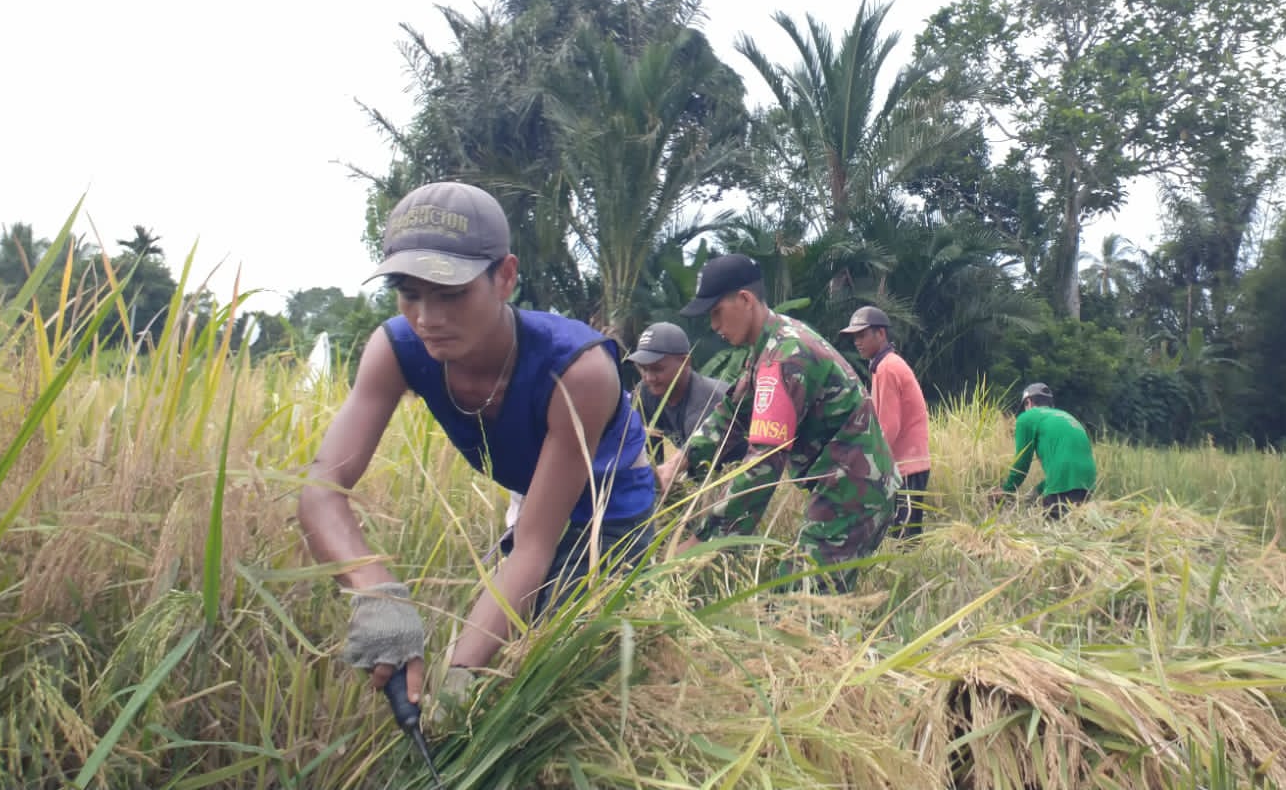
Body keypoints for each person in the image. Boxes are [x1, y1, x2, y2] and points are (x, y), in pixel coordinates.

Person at [297, 182, 656, 717]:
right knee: (505, 632)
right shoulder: (396, 349)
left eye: (451, 293)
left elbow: (534, 546)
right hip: (533, 492)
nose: (427, 317)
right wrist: (376, 592)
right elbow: (321, 487)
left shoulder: (578, 370)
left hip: (609, 509)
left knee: (565, 668)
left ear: (505, 277)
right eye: (409, 292)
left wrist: (458, 679)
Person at [656, 254, 899, 590]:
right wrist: (678, 463)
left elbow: (763, 462)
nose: (713, 326)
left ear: (745, 300)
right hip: (848, 486)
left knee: (798, 600)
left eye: (716, 312)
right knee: (807, 596)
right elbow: (733, 414)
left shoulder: (786, 356)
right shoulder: (769, 346)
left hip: (855, 492)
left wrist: (703, 542)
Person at [837, 305, 931, 538]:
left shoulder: (888, 368)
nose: (857, 342)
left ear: (880, 333)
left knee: (903, 538)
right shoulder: (884, 365)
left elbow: (888, 426)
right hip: (903, 464)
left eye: (862, 335)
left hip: (908, 466)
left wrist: (870, 465)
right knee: (900, 533)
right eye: (854, 337)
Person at [627, 321, 730, 463]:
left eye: (657, 369)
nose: (649, 378)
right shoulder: (645, 392)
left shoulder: (706, 402)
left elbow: (701, 465)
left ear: (685, 362)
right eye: (643, 368)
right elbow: (645, 452)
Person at [993, 383, 1097, 517]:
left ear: (1028, 402)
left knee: (1052, 524)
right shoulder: (1066, 416)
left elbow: (1022, 463)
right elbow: (1067, 466)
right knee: (1075, 522)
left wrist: (1006, 490)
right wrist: (1036, 492)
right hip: (1089, 482)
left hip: (1063, 480)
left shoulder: (1027, 418)